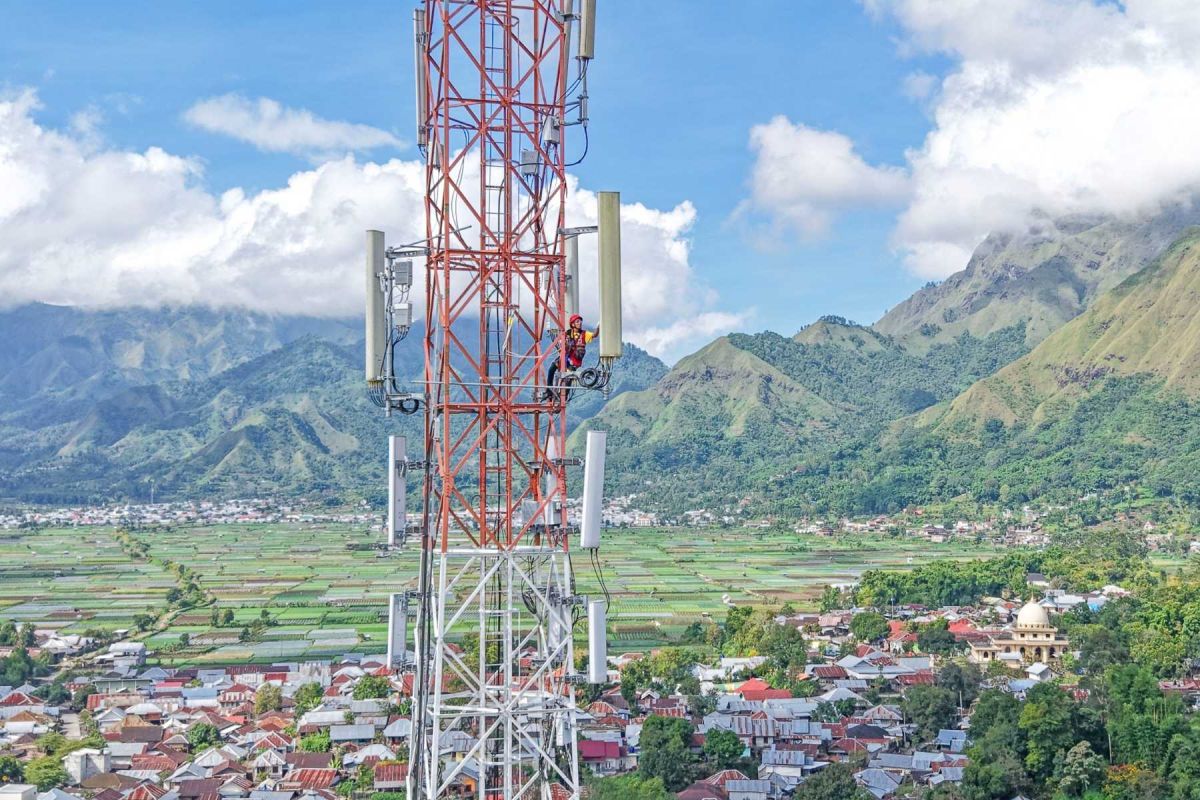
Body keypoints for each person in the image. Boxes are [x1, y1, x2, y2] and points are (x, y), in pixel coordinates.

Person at [545, 314, 598, 399]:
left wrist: (598, 327)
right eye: (577, 321)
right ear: (572, 324)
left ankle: (564, 396)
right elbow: (560, 343)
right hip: (565, 357)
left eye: (580, 321)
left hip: (574, 360)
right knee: (552, 368)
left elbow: (594, 335)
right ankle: (549, 389)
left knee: (569, 375)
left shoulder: (584, 334)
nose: (580, 323)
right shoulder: (567, 333)